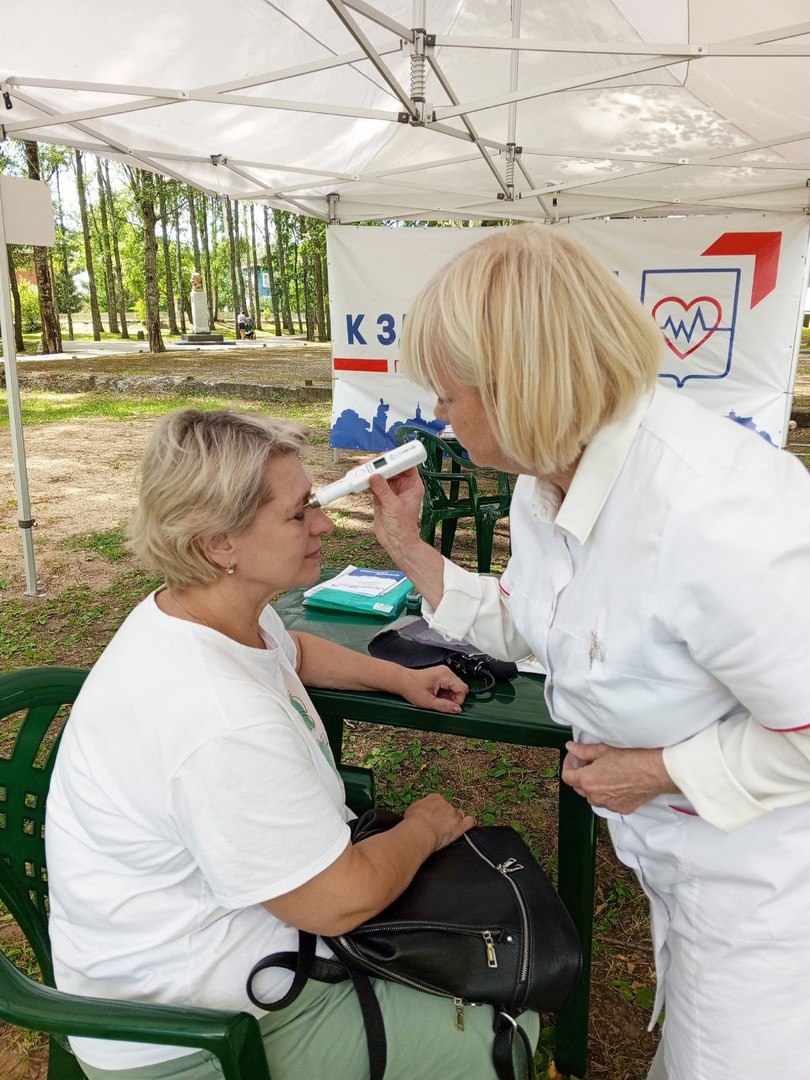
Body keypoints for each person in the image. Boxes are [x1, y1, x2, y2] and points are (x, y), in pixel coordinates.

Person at [368, 225, 810, 1080]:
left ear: (515, 384)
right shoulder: (548, 482)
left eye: (448, 389)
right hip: (683, 860)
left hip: (772, 879)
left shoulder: (716, 514)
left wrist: (662, 769)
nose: (435, 410)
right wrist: (414, 554)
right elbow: (542, 619)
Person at [44, 408, 540, 1080]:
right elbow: (336, 899)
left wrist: (400, 677)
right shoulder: (216, 715)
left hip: (232, 959)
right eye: (299, 512)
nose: (325, 524)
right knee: (510, 1028)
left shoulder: (205, 614)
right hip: (197, 1032)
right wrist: (423, 827)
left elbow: (294, 651)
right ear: (220, 542)